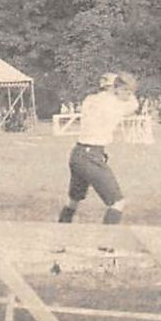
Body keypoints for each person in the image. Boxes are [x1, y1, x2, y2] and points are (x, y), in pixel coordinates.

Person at [59, 73, 140, 225]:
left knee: (73, 201)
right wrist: (118, 84)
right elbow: (134, 104)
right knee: (118, 202)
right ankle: (106, 243)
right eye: (126, 91)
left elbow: (109, 96)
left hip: (77, 154)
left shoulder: (89, 99)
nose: (129, 94)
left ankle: (59, 240)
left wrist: (113, 86)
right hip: (92, 156)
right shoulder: (116, 104)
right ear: (114, 88)